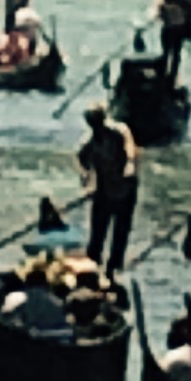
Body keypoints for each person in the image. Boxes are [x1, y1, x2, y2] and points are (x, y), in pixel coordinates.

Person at [75, 105, 139, 275]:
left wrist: (129, 165)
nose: (96, 128)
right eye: (92, 124)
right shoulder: (89, 143)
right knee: (97, 232)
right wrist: (87, 182)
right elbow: (83, 163)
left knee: (121, 231)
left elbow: (129, 148)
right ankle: (92, 266)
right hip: (103, 191)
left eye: (97, 122)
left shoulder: (119, 131)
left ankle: (113, 269)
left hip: (124, 188)